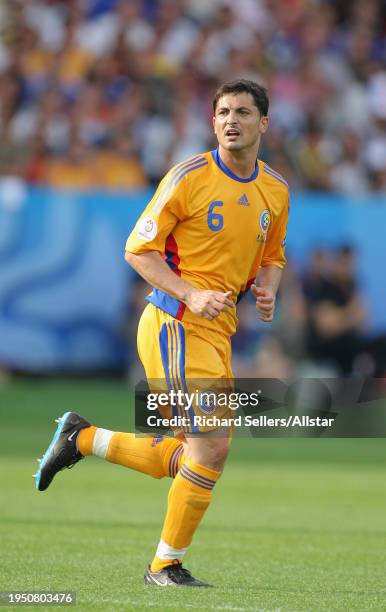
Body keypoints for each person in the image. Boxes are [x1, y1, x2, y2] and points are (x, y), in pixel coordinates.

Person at [34, 79, 289, 587]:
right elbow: (137, 249)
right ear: (212, 121)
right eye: (221, 112)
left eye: (241, 111)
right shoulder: (189, 176)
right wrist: (191, 293)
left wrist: (268, 288)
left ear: (264, 123)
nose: (230, 120)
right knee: (212, 445)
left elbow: (273, 255)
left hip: (217, 332)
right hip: (174, 323)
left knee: (190, 453)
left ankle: (81, 437)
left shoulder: (275, 190)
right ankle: (164, 566)